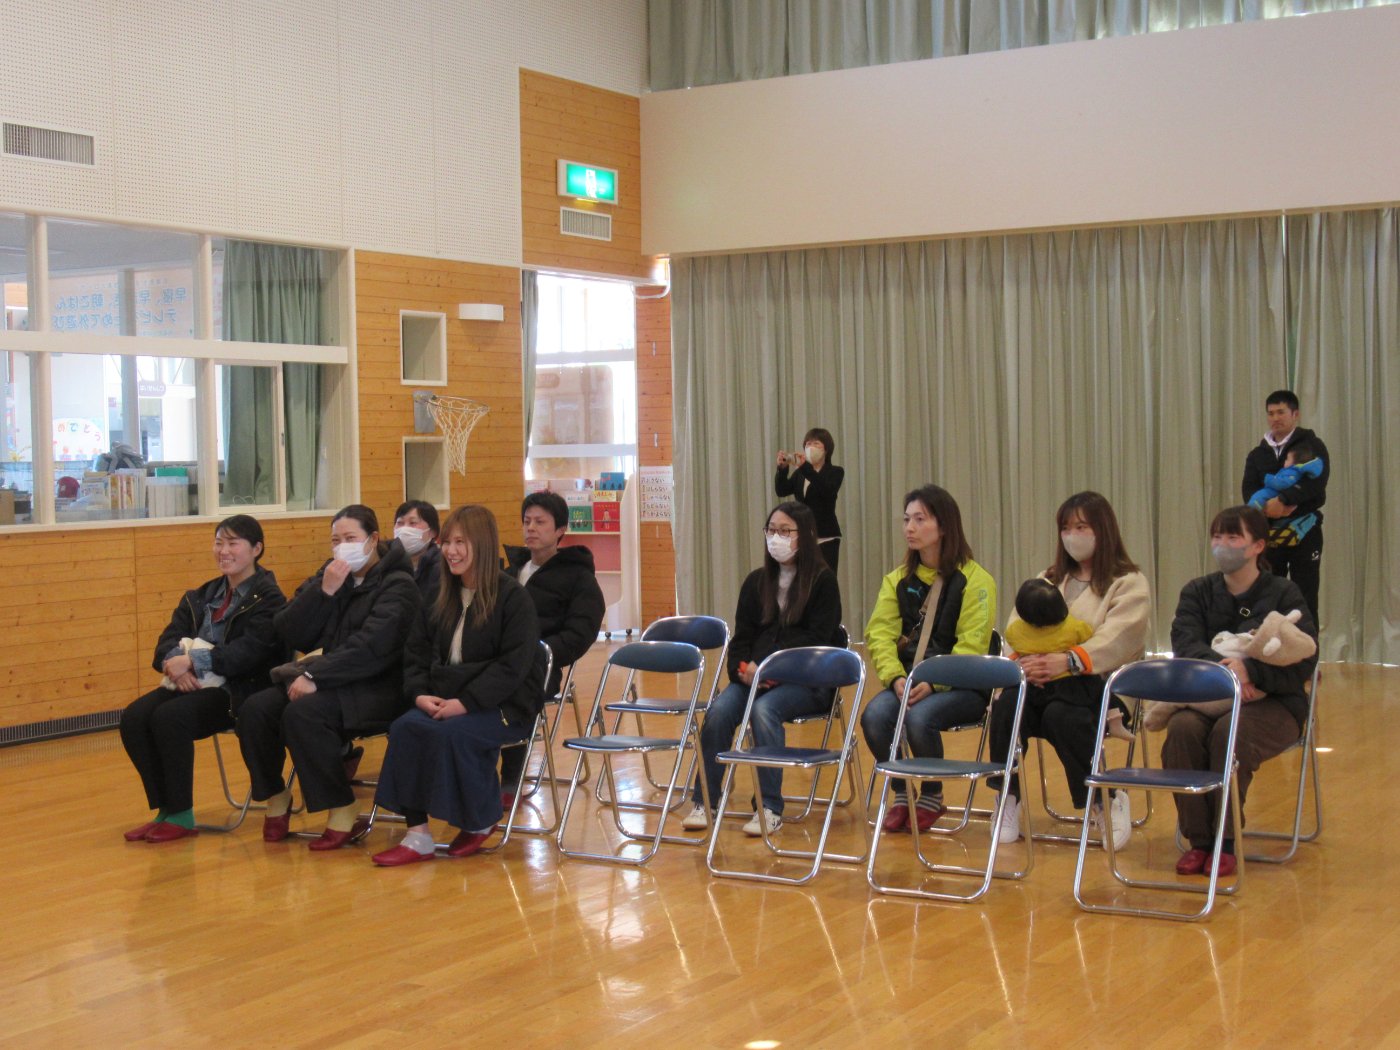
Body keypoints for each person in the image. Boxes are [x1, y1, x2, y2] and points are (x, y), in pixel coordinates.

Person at [238, 505, 422, 851]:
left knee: (303, 713)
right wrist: (322, 593)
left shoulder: (399, 585)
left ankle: (342, 806)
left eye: (350, 538)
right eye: (336, 540)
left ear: (373, 540)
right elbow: (289, 630)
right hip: (333, 680)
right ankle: (276, 795)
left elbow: (371, 646)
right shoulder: (331, 575)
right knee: (256, 709)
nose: (342, 547)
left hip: (381, 686)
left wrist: (314, 674)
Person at [370, 505, 544, 865]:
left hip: (504, 706)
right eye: (447, 542)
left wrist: (466, 702)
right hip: (445, 698)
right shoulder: (440, 594)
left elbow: (512, 667)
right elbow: (416, 653)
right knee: (405, 728)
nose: (451, 550)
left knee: (455, 733)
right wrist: (420, 694)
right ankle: (417, 835)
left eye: (460, 542)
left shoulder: (513, 598)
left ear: (482, 544)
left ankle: (481, 820)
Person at [988, 492, 1151, 849]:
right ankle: (1007, 796)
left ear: (1102, 530)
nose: (1072, 535)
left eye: (1081, 527)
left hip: (1099, 690)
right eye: (1066, 528)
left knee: (1064, 716)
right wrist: (1026, 663)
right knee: (1006, 706)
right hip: (1038, 684)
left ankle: (1104, 799)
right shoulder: (1047, 578)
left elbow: (1119, 637)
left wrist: (1069, 660)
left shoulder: (1128, 581)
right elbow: (1018, 627)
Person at [1163, 505, 1318, 878]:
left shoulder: (1284, 593)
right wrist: (1228, 672)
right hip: (1209, 696)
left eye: (1233, 537)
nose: (1222, 545)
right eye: (1217, 536)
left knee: (1229, 735)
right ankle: (1199, 840)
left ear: (1258, 546)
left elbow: (1304, 656)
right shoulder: (1197, 591)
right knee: (1181, 730)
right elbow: (1185, 643)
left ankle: (1226, 840)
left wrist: (1253, 672)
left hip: (1275, 703)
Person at [119, 515, 285, 843]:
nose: (224, 551)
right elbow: (167, 641)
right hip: (191, 681)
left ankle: (182, 814)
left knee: (170, 717)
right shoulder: (201, 595)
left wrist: (192, 662)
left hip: (239, 690)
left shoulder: (270, 599)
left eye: (233, 543)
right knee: (134, 718)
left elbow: (248, 653)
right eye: (218, 543)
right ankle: (165, 809)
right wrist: (175, 665)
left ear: (256, 549)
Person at [680, 501, 842, 837]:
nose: (775, 538)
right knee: (719, 712)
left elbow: (816, 639)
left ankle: (769, 807)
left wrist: (771, 667)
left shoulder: (823, 582)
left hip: (805, 682)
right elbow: (742, 637)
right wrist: (740, 669)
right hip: (753, 678)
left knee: (764, 711)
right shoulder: (757, 581)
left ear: (804, 535)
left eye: (785, 531)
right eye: (771, 530)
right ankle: (706, 800)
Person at [860, 485, 996, 833]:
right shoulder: (896, 580)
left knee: (919, 718)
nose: (910, 527)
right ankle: (902, 791)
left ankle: (932, 796)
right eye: (907, 519)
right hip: (908, 681)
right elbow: (879, 634)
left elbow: (973, 644)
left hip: (963, 686)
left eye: (920, 519)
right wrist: (894, 678)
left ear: (944, 525)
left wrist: (935, 683)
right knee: (874, 717)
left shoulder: (976, 580)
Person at [499, 491, 605, 803]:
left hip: (539, 667)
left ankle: (511, 778)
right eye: (527, 521)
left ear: (560, 530)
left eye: (540, 522)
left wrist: (537, 652)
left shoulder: (578, 577)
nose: (531, 528)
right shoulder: (509, 573)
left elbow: (580, 633)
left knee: (515, 688)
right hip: (498, 661)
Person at [1241, 390, 1330, 624]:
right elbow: (1249, 489)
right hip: (1269, 533)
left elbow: (1316, 485)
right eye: (1270, 413)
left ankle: (1308, 648)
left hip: (1306, 531)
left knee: (1305, 596)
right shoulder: (1257, 454)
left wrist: (1284, 501)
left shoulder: (1312, 445)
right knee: (1267, 596)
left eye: (1281, 412)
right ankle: (1268, 647)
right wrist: (1267, 509)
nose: (1275, 418)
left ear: (1295, 414)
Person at [774, 427, 845, 570]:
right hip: (804, 535)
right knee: (804, 577)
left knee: (825, 577)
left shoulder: (835, 471)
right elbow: (781, 490)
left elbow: (827, 490)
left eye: (816, 443)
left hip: (826, 536)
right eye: (807, 444)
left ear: (826, 449)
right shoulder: (800, 474)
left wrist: (804, 467)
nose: (811, 447)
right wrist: (782, 469)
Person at [393, 499, 442, 605]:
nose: (405, 529)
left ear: (432, 531)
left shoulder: (441, 568)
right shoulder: (388, 565)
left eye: (413, 523)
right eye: (400, 523)